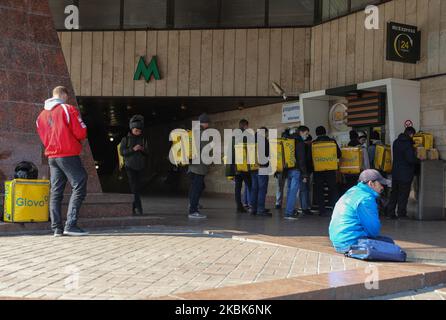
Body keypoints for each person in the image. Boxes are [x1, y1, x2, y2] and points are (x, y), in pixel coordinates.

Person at [36, 86, 89, 237]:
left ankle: (57, 228)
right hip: (68, 154)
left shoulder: (41, 115)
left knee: (56, 191)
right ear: (64, 95)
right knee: (80, 183)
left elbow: (43, 136)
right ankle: (71, 224)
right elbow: (81, 131)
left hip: (52, 156)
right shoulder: (67, 108)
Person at [329, 169, 393, 253]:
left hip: (338, 242)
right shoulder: (366, 199)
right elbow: (373, 230)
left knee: (386, 242)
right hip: (350, 244)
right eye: (380, 184)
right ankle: (357, 252)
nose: (382, 187)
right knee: (392, 247)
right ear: (371, 184)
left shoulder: (352, 191)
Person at [386, 126, 421, 219]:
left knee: (394, 193)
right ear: (411, 134)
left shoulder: (396, 142)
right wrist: (419, 160)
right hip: (405, 173)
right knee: (403, 194)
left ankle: (391, 213)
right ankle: (401, 214)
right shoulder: (407, 144)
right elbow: (410, 159)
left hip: (396, 172)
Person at [120, 115, 148, 215]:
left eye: (139, 131)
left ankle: (133, 208)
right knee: (134, 187)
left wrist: (142, 149)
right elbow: (122, 152)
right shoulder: (125, 139)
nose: (138, 132)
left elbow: (148, 152)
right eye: (136, 130)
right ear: (132, 129)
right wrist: (133, 149)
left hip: (140, 166)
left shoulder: (143, 139)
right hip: (129, 166)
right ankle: (139, 208)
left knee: (137, 188)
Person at [312, 126, 342, 217]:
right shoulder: (332, 141)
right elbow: (339, 154)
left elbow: (310, 157)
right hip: (330, 169)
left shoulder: (314, 143)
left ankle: (322, 211)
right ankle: (336, 209)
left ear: (316, 133)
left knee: (319, 190)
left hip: (318, 170)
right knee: (333, 189)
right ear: (325, 132)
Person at [187, 113, 212, 219]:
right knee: (197, 188)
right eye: (208, 123)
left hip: (192, 166)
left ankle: (192, 204)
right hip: (199, 167)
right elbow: (206, 150)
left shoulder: (193, 133)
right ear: (205, 123)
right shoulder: (203, 134)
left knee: (196, 187)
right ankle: (193, 210)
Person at [283, 127, 308, 220]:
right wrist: (305, 174)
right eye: (306, 133)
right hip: (296, 170)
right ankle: (289, 213)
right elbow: (301, 159)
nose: (306, 135)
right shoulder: (299, 142)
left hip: (288, 169)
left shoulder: (288, 140)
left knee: (290, 191)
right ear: (301, 132)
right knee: (293, 192)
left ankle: (290, 210)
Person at [249, 127, 271, 216]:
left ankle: (253, 209)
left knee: (254, 189)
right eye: (267, 133)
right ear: (264, 133)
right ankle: (260, 209)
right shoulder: (264, 140)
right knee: (262, 189)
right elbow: (267, 154)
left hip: (253, 167)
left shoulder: (251, 139)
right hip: (262, 168)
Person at [233, 119, 252, 213]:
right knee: (250, 185)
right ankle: (253, 206)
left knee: (238, 187)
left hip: (236, 167)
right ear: (245, 126)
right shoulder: (247, 135)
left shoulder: (233, 136)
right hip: (245, 166)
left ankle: (239, 206)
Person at [274, 128, 291, 209]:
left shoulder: (277, 145)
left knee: (279, 188)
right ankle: (288, 203)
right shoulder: (290, 145)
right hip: (288, 169)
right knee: (288, 187)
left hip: (279, 170)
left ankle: (278, 203)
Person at [298, 126, 313, 216]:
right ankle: (305, 208)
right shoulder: (304, 146)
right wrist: (305, 174)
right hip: (305, 171)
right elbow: (305, 160)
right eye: (306, 134)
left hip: (303, 170)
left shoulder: (301, 144)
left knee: (304, 189)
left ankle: (304, 206)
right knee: (305, 189)